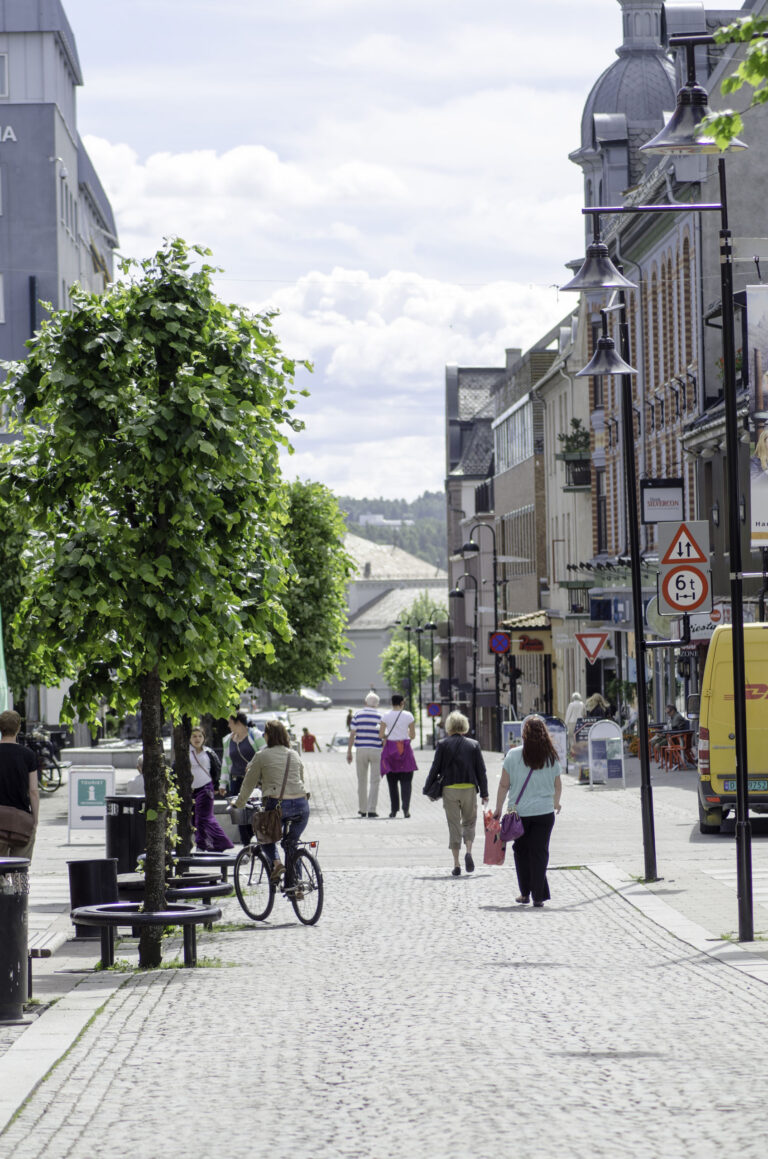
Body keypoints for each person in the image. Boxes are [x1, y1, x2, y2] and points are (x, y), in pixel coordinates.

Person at [494, 715, 562, 908]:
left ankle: (525, 894)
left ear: (523, 733)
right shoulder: (551, 756)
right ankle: (538, 896)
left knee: (521, 852)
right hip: (544, 813)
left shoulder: (513, 755)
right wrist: (556, 803)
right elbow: (558, 785)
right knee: (539, 853)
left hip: (519, 814)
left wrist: (499, 808)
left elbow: (503, 784)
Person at [234, 720, 309, 885]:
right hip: (302, 806)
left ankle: (277, 864)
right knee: (291, 843)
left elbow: (248, 783)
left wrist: (239, 803)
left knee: (265, 835)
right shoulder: (294, 754)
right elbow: (300, 779)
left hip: (279, 805)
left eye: (264, 734)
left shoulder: (261, 755)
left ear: (268, 736)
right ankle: (297, 885)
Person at [423, 710, 489, 876]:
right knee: (469, 823)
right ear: (464, 726)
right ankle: (469, 851)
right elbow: (481, 770)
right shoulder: (473, 745)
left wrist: (427, 788)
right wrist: (485, 793)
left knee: (454, 825)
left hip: (450, 789)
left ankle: (457, 863)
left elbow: (435, 768)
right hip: (469, 788)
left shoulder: (443, 745)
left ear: (449, 726)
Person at [0, 710, 39, 860]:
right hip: (21, 821)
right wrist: (35, 820)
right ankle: (19, 883)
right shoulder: (28, 755)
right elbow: (33, 791)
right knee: (20, 867)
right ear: (18, 728)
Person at [221, 712, 265, 844]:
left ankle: (257, 840)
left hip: (253, 782)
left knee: (254, 813)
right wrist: (223, 783)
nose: (228, 725)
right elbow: (225, 762)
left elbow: (265, 753)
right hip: (236, 781)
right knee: (238, 813)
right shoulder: (228, 740)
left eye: (230, 722)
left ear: (238, 723)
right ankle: (247, 846)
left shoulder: (255, 735)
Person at [189, 726, 233, 852]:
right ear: (190, 738)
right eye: (194, 736)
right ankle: (217, 844)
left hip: (206, 789)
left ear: (204, 738)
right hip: (191, 791)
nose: (197, 739)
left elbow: (217, 769)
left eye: (200, 736)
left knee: (202, 817)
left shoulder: (209, 752)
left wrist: (218, 786)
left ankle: (201, 846)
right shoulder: (185, 752)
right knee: (194, 819)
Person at [379, 694, 417, 818]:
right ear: (402, 703)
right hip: (404, 750)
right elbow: (412, 735)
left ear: (392, 703)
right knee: (406, 782)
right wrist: (404, 733)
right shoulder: (408, 715)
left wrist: (388, 736)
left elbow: (381, 735)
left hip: (390, 750)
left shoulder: (385, 716)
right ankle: (406, 809)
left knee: (392, 783)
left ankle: (393, 810)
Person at [347, 690, 383, 818]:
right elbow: (383, 735)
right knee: (375, 781)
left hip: (361, 750)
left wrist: (349, 751)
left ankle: (362, 809)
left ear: (365, 702)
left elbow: (352, 734)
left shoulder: (357, 715)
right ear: (377, 704)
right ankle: (372, 809)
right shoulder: (380, 716)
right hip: (376, 750)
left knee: (361, 780)